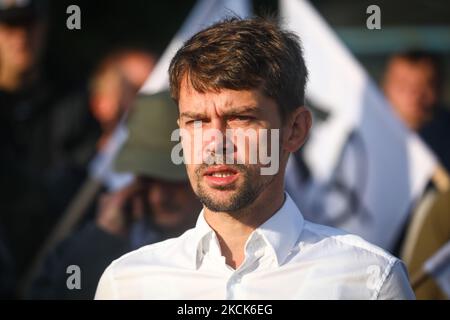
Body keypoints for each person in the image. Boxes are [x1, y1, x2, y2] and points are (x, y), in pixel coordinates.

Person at [95, 17, 415, 300]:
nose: (216, 143)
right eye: (197, 121)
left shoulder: (371, 282)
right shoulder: (126, 283)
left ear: (295, 130)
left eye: (241, 118)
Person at [30, 92, 201, 299]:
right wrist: (101, 239)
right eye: (147, 180)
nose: (158, 197)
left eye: (173, 182)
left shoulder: (231, 250)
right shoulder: (103, 236)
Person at [383, 50, 450, 171]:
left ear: (440, 88)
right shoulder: (367, 139)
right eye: (403, 85)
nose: (414, 94)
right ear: (386, 87)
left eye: (425, 85)